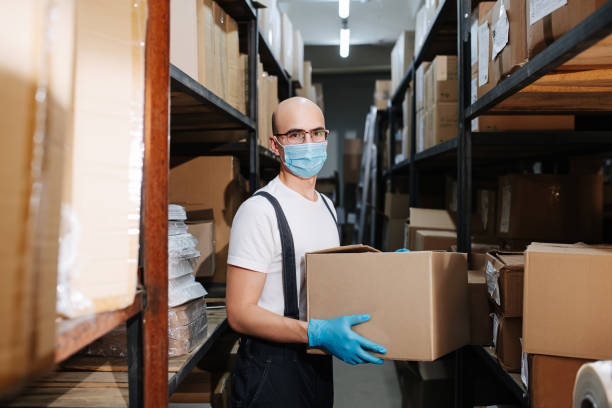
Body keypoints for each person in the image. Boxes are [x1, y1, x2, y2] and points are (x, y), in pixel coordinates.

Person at [226, 97, 386, 408]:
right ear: (276, 144)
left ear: (327, 138)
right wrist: (316, 332)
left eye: (316, 133)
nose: (309, 142)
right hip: (272, 369)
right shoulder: (259, 211)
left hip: (316, 362)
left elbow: (328, 280)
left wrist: (389, 269)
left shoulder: (326, 206)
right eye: (296, 135)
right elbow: (240, 313)